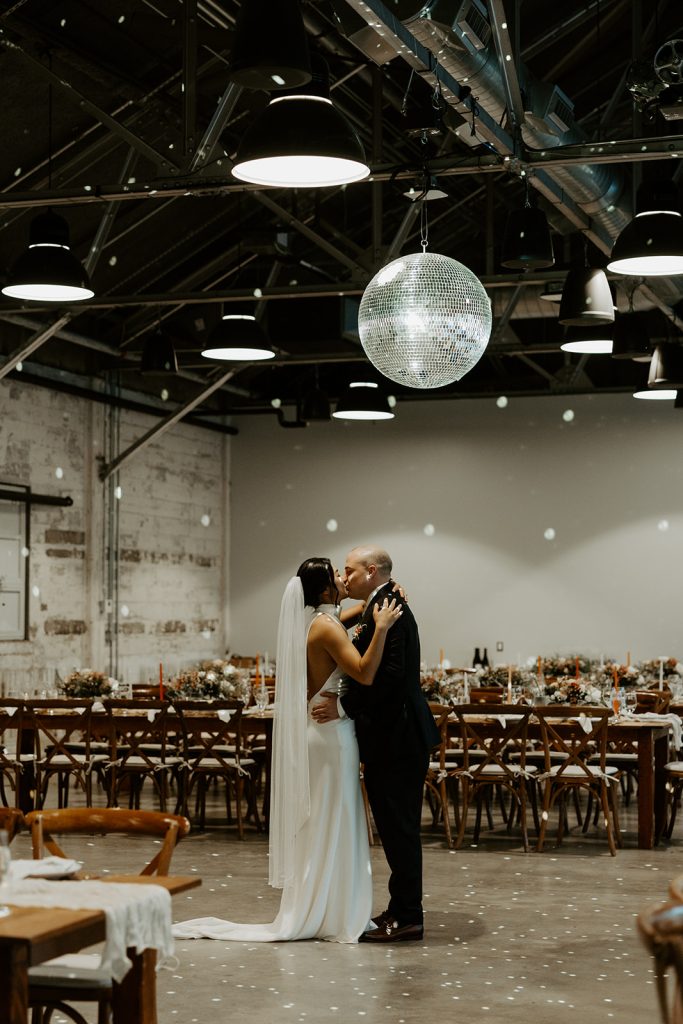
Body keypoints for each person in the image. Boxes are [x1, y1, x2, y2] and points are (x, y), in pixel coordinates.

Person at [172, 556, 401, 944]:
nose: (344, 579)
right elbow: (363, 671)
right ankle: (330, 910)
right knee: (335, 817)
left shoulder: (321, 621)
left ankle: (330, 904)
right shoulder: (327, 628)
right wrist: (380, 628)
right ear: (325, 590)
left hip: (326, 732)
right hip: (331, 737)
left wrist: (386, 594)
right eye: (337, 576)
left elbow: (358, 607)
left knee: (334, 817)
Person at [312, 545, 439, 943]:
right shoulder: (379, 603)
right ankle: (401, 908)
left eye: (348, 571)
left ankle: (408, 916)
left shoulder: (390, 608)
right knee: (393, 827)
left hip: (398, 738)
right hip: (392, 737)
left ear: (370, 571)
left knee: (399, 829)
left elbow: (392, 677)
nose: (344, 578)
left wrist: (344, 707)